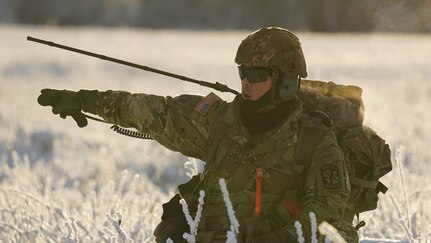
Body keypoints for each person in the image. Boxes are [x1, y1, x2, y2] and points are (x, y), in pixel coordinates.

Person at [38, 27, 356, 242]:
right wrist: (81, 100)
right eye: (243, 73)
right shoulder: (220, 121)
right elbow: (149, 110)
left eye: (257, 75)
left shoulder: (314, 139)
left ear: (285, 79)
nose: (246, 82)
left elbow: (326, 212)